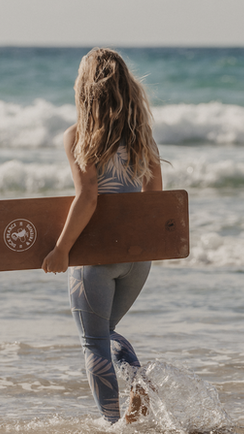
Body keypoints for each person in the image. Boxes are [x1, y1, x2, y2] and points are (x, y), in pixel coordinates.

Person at [42, 48, 163, 423]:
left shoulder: (78, 135)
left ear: (84, 89)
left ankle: (113, 424)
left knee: (93, 341)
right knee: (107, 332)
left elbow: (88, 196)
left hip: (95, 257)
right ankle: (136, 385)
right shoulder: (143, 136)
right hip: (137, 256)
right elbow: (153, 198)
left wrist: (62, 249)